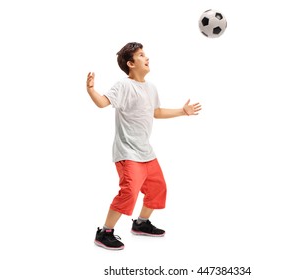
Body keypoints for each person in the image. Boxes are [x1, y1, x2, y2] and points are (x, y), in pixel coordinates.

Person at [86, 42, 201, 250]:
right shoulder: (123, 86)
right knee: (129, 191)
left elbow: (155, 112)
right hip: (127, 152)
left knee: (158, 189)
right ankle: (105, 232)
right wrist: (91, 89)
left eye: (145, 54)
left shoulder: (151, 87)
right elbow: (103, 103)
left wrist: (182, 111)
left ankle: (141, 224)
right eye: (141, 55)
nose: (146, 57)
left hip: (146, 152)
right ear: (130, 63)